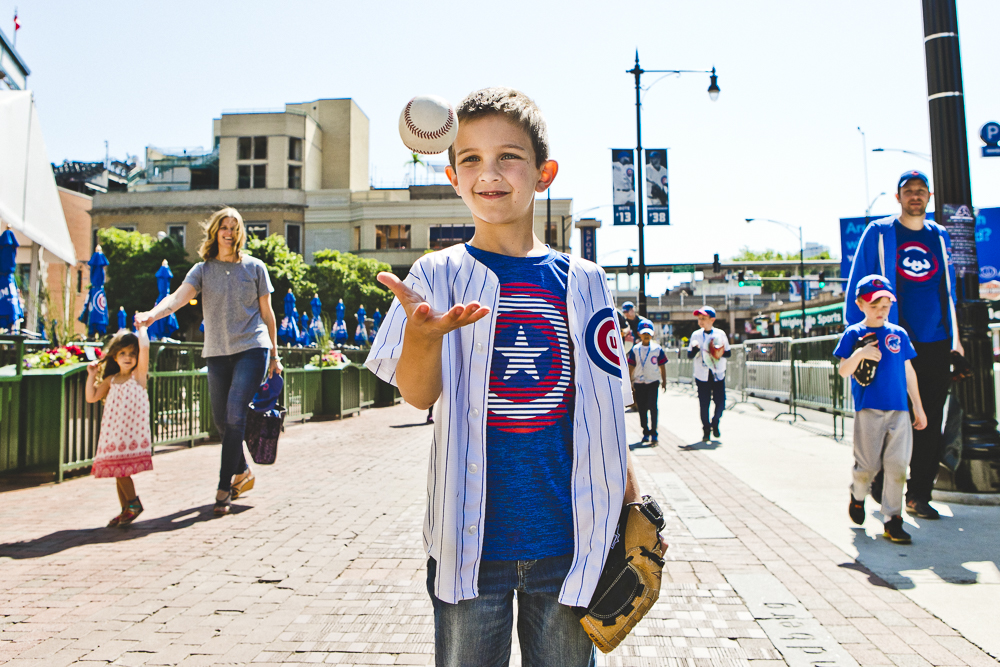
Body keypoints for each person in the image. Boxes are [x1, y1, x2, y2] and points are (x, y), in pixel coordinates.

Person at [366, 87, 666, 667]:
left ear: (543, 172)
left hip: (572, 544)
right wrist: (424, 339)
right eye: (471, 159)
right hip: (467, 543)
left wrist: (637, 501)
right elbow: (416, 394)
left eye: (509, 156)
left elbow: (602, 411)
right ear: (453, 177)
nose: (490, 173)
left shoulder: (585, 281)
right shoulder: (435, 274)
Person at [135, 207, 282, 516]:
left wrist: (274, 355)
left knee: (234, 416)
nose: (228, 232)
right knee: (221, 421)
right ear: (215, 231)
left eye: (234, 227)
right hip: (216, 352)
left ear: (240, 233)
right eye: (223, 227)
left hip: (252, 348)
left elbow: (267, 314)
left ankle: (223, 488)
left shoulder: (255, 268)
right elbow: (176, 298)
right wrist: (151, 315)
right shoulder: (202, 270)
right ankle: (241, 471)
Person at [845, 170, 964, 520]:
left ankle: (918, 495)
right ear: (898, 197)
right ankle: (879, 485)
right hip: (891, 343)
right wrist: (862, 336)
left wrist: (955, 342)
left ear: (929, 196)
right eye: (908, 191)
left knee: (929, 421)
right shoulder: (880, 232)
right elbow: (858, 287)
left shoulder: (939, 236)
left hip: (936, 340)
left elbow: (950, 292)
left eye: (921, 191)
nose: (915, 195)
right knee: (890, 417)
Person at [835, 275, 927, 543]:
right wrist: (859, 354)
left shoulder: (898, 334)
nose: (880, 310)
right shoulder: (854, 334)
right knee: (867, 467)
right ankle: (858, 494)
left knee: (898, 465)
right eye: (874, 305)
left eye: (885, 305)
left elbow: (908, 371)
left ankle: (892, 519)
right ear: (861, 304)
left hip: (899, 410)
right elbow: (843, 371)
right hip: (869, 410)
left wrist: (918, 407)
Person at [86, 327, 153, 527]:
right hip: (112, 435)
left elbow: (146, 346)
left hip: (129, 435)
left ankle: (134, 504)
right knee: (117, 472)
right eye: (123, 353)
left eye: (132, 354)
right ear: (114, 356)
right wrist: (91, 375)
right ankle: (125, 508)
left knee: (122, 472)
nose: (128, 357)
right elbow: (92, 397)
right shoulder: (111, 380)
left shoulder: (139, 376)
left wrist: (143, 329)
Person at [687, 306, 731, 441]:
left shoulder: (720, 334)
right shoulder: (696, 335)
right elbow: (689, 355)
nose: (701, 321)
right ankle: (706, 429)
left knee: (720, 402)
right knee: (704, 404)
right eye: (699, 319)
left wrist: (718, 351)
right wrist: (695, 349)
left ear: (712, 320)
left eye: (704, 319)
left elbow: (728, 352)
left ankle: (715, 421)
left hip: (718, 373)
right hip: (702, 374)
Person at [627, 320, 667, 445]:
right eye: (644, 333)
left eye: (648, 334)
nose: (646, 336)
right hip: (639, 382)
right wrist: (629, 382)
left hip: (653, 382)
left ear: (652, 334)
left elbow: (662, 365)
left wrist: (664, 381)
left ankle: (654, 433)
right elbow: (631, 366)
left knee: (653, 407)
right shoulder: (635, 349)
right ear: (639, 333)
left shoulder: (657, 349)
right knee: (642, 408)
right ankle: (645, 431)